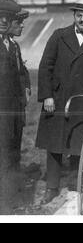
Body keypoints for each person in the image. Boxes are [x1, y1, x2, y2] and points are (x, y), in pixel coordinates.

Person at [36, 2, 83, 205]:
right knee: (55, 143)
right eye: (79, 15)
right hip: (58, 97)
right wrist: (47, 96)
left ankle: (75, 182)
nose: (82, 20)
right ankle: (51, 187)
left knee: (78, 142)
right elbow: (46, 66)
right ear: (74, 16)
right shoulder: (59, 35)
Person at [0, 0, 22, 214]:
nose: (3, 21)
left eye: (7, 17)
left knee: (12, 152)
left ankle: (12, 201)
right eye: (0, 17)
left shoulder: (10, 45)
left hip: (13, 110)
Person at [8, 9, 31, 166]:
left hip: (16, 106)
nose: (22, 26)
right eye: (18, 23)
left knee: (15, 145)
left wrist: (27, 88)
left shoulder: (14, 45)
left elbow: (21, 72)